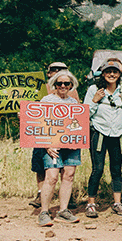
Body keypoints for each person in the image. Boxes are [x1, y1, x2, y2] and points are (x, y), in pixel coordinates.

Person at [83, 58, 122, 219]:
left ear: (120, 74)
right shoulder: (94, 89)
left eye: (115, 72)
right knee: (97, 169)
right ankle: (91, 203)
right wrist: (94, 101)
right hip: (99, 133)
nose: (111, 74)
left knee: (116, 169)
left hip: (118, 133)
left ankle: (117, 203)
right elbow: (85, 113)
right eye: (108, 71)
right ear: (103, 73)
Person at [36, 70, 83, 226]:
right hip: (52, 146)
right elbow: (39, 124)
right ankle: (44, 212)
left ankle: (63, 211)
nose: (63, 86)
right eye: (59, 83)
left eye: (66, 83)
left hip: (71, 146)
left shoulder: (74, 103)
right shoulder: (46, 100)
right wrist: (47, 145)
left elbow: (78, 125)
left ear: (71, 85)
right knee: (52, 176)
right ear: (54, 84)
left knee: (69, 175)